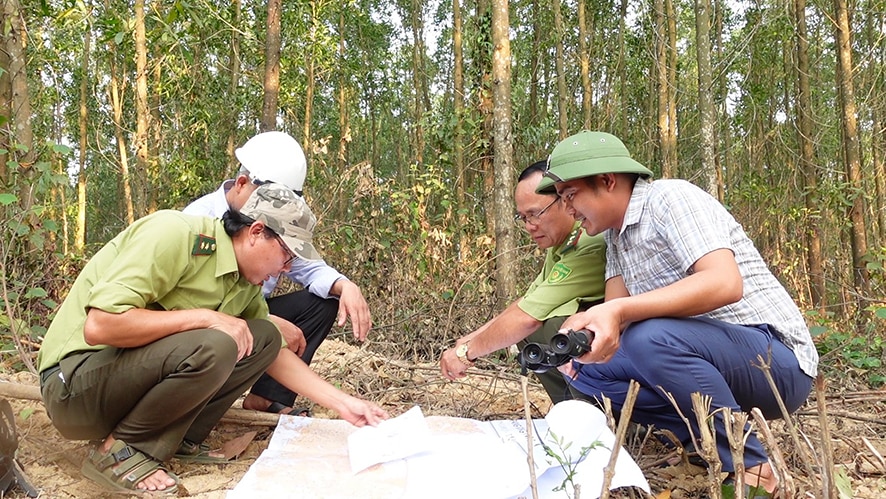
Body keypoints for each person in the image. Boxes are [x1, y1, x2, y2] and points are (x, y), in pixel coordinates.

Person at [38, 183, 388, 494]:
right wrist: (207, 317)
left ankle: (179, 439)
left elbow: (276, 355)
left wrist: (344, 404)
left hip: (119, 388)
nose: (286, 269)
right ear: (255, 231)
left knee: (263, 335)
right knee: (217, 341)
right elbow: (100, 326)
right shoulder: (174, 234)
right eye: (287, 255)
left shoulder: (242, 282)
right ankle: (117, 451)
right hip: (74, 388)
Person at [537, 130, 818, 494]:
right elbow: (615, 316)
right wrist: (587, 332)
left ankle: (752, 466)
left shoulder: (671, 198)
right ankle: (700, 441)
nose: (568, 209)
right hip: (704, 362)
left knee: (648, 338)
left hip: (776, 361)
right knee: (585, 370)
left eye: (570, 195)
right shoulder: (616, 237)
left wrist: (619, 311)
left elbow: (724, 283)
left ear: (607, 181)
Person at [184, 131, 372, 416]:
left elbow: (309, 267)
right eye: (272, 197)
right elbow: (185, 304)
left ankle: (267, 397)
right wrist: (264, 322)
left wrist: (345, 285)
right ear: (243, 183)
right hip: (202, 322)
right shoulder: (196, 221)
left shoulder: (275, 224)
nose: (278, 206)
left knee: (321, 303)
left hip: (251, 314)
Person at [439, 161, 606, 404]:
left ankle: (596, 417)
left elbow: (528, 319)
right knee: (534, 330)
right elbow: (527, 303)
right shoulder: (560, 244)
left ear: (565, 200)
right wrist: (471, 338)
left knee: (557, 330)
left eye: (535, 214)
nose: (529, 226)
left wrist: (466, 354)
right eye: (523, 217)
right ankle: (568, 411)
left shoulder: (588, 244)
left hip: (625, 350)